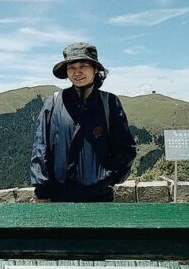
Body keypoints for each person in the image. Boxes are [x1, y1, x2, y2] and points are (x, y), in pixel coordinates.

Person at [30, 42, 137, 202]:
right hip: (58, 197)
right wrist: (41, 189)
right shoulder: (53, 103)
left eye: (83, 66)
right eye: (71, 67)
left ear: (95, 69)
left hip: (99, 198)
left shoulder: (109, 103)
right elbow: (40, 147)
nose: (77, 72)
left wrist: (107, 179)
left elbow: (126, 148)